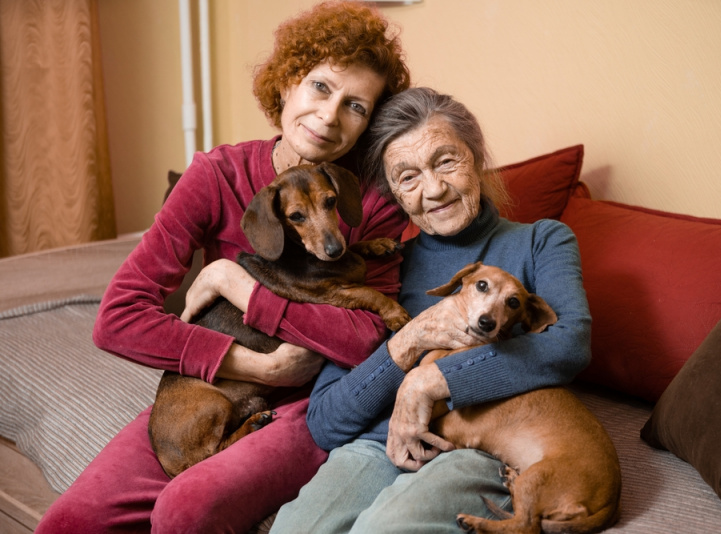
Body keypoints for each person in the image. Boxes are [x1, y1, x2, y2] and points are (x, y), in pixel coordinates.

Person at [35, 2, 410, 533]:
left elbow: (369, 339)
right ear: (287, 84)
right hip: (218, 383)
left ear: (369, 122)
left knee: (186, 510)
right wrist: (256, 366)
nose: (329, 116)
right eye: (320, 87)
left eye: (355, 105)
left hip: (312, 403)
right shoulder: (216, 176)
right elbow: (116, 319)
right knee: (68, 523)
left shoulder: (370, 198)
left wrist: (237, 284)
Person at [270, 87, 592, 533]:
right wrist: (408, 341)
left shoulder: (541, 240)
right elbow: (325, 420)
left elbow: (570, 345)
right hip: (374, 445)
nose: (435, 189)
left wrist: (430, 380)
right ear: (394, 194)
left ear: (476, 157)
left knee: (382, 530)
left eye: (446, 162)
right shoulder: (379, 267)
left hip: (479, 446)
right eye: (408, 177)